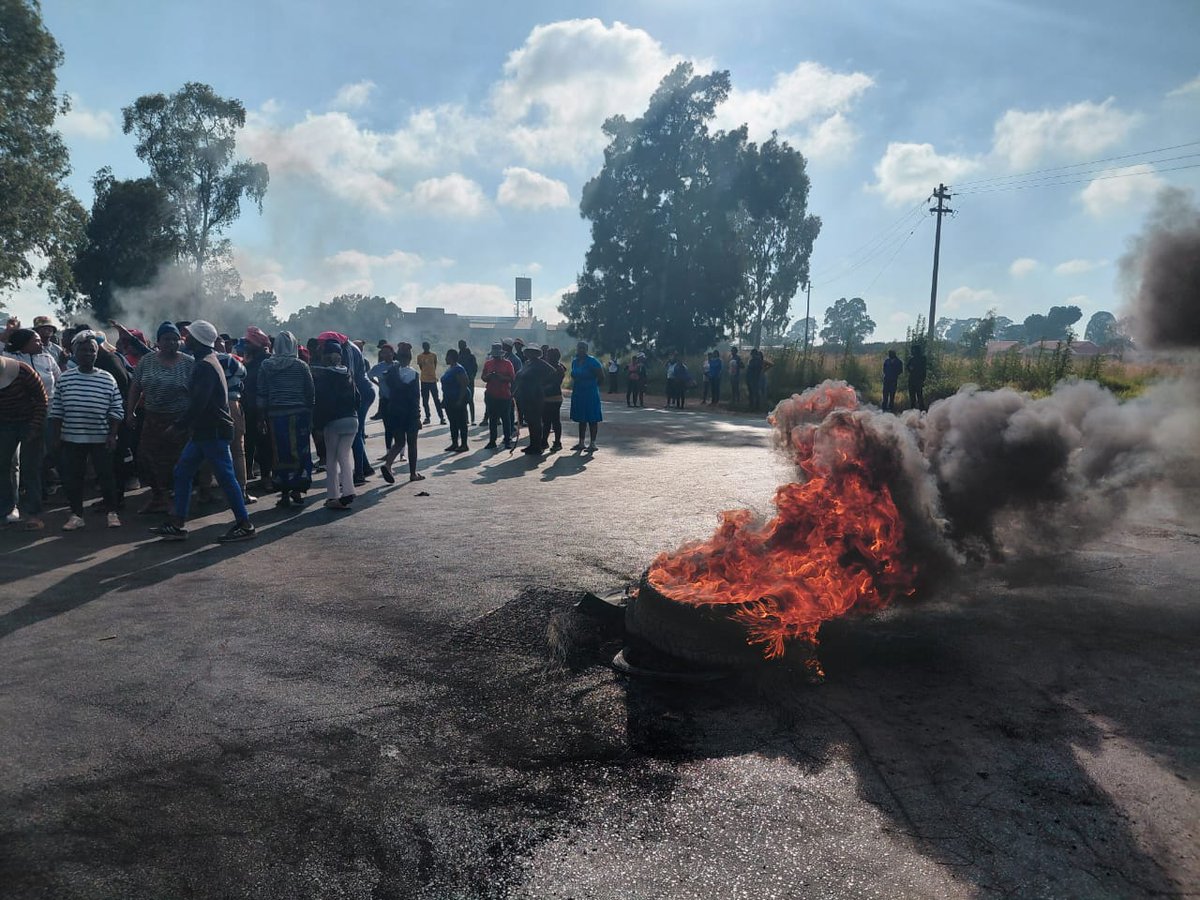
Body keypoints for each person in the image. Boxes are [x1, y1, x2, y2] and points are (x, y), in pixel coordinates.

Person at [148, 321, 254, 542]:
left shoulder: (205, 365)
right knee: (183, 472)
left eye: (189, 335)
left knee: (225, 477)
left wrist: (178, 426)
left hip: (212, 430)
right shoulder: (209, 360)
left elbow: (200, 403)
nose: (185, 338)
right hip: (205, 430)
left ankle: (245, 524)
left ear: (197, 339)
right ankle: (177, 523)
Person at [49, 333, 124, 531]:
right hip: (72, 437)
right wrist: (56, 437)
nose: (88, 354)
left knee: (106, 476)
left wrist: (112, 434)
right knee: (74, 477)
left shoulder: (107, 378)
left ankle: (112, 513)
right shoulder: (65, 379)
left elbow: (116, 409)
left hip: (101, 437)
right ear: (75, 353)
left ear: (97, 354)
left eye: (92, 350)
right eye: (83, 350)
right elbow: (57, 411)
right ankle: (76, 515)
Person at [128, 322, 194, 514]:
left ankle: (177, 501)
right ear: (158, 341)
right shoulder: (146, 361)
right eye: (167, 339)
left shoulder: (188, 362)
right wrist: (129, 411)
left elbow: (196, 392)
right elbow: (135, 387)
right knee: (146, 458)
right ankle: (158, 497)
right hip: (152, 418)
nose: (171, 343)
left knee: (178, 461)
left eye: (175, 339)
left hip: (179, 420)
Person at [257, 331, 315, 507]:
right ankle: (297, 489)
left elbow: (261, 393)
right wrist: (311, 416)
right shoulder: (301, 366)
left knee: (279, 453)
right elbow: (310, 393)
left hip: (276, 417)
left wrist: (261, 418)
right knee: (300, 451)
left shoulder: (266, 365)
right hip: (299, 416)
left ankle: (283, 493)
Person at [310, 339, 360, 510]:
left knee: (331, 459)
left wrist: (317, 425)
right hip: (352, 420)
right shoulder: (348, 373)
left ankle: (333, 496)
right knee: (345, 456)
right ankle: (348, 490)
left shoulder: (325, 377)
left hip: (334, 422)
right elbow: (358, 398)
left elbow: (322, 404)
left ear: (326, 357)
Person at [0, 355, 48, 530]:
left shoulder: (24, 371)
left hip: (30, 420)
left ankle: (33, 513)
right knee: (3, 465)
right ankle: (6, 510)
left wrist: (35, 427)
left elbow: (42, 400)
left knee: (30, 467)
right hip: (4, 423)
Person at [379, 343, 424, 484]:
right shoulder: (413, 374)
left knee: (398, 442)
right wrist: (417, 416)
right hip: (409, 413)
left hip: (394, 411)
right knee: (412, 443)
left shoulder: (391, 372)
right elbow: (416, 397)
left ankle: (388, 464)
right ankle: (413, 474)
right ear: (410, 358)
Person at [216, 342, 254, 505]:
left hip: (211, 406)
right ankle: (242, 492)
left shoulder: (199, 360)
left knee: (209, 449)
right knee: (238, 450)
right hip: (232, 403)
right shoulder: (228, 359)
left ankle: (205, 491)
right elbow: (243, 372)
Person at [241, 326, 273, 491]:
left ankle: (267, 477)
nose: (245, 344)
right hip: (248, 407)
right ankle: (246, 476)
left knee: (265, 443)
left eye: (248, 341)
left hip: (263, 409)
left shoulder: (267, 361)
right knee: (248, 443)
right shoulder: (249, 360)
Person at [515, 345, 553, 455]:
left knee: (535, 421)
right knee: (530, 422)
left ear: (535, 353)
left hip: (535, 396)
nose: (527, 353)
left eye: (530, 352)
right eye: (526, 351)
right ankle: (532, 444)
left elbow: (553, 372)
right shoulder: (527, 363)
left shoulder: (540, 363)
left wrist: (543, 385)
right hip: (525, 395)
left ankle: (538, 446)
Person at [569, 341, 603, 452]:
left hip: (590, 393)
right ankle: (581, 442)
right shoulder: (575, 362)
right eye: (579, 348)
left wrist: (593, 387)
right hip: (578, 392)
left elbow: (601, 376)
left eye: (583, 348)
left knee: (592, 418)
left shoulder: (593, 362)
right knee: (581, 418)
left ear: (587, 349)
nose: (581, 350)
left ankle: (592, 443)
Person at [481, 342, 515, 449]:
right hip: (491, 394)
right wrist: (489, 376)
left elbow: (512, 378)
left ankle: (507, 439)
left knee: (506, 418)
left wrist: (501, 377)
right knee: (493, 418)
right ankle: (492, 440)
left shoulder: (508, 364)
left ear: (501, 353)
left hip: (504, 395)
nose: (496, 356)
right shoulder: (488, 363)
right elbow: (483, 377)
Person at [440, 348, 470, 453]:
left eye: (447, 356)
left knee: (461, 422)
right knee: (453, 422)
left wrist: (460, 400)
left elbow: (464, 384)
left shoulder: (459, 369)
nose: (445, 358)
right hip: (449, 399)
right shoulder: (450, 368)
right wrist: (444, 400)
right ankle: (454, 443)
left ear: (451, 357)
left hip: (457, 399)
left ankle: (464, 444)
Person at [369, 344, 397, 453]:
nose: (384, 354)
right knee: (388, 427)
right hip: (385, 400)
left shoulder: (397, 365)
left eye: (387, 352)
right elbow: (369, 376)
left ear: (392, 353)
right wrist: (378, 384)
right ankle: (388, 451)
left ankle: (401, 453)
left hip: (397, 400)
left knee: (398, 426)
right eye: (383, 352)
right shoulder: (378, 367)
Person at [543, 347, 566, 453]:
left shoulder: (558, 368)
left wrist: (542, 387)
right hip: (546, 397)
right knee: (546, 421)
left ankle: (557, 442)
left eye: (548, 355)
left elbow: (555, 383)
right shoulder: (549, 367)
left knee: (555, 420)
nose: (546, 357)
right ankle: (544, 441)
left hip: (555, 397)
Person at [416, 341, 445, 425]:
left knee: (436, 400)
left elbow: (434, 366)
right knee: (425, 400)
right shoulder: (420, 356)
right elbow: (421, 367)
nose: (426, 347)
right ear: (423, 347)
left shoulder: (433, 355)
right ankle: (427, 417)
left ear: (429, 347)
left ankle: (442, 417)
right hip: (424, 380)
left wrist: (431, 374)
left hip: (432, 380)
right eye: (424, 346)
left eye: (427, 346)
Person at [457, 339, 478, 425]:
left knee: (470, 400)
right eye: (459, 344)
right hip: (460, 381)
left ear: (465, 345)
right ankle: (465, 419)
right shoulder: (458, 356)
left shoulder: (471, 356)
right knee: (463, 400)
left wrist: (472, 376)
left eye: (462, 344)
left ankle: (472, 419)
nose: (460, 346)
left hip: (469, 380)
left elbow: (475, 368)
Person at [907, 343, 927, 412]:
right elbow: (908, 367)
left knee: (919, 397)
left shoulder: (922, 358)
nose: (912, 351)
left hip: (918, 380)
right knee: (912, 398)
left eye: (913, 350)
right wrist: (910, 368)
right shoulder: (912, 359)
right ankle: (913, 412)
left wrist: (923, 379)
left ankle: (922, 412)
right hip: (912, 380)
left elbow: (923, 369)